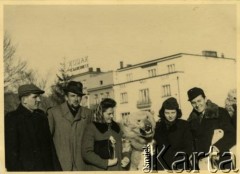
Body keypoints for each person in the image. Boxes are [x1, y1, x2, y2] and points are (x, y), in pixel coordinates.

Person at [5, 84, 61, 171]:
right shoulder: (12, 118)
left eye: (39, 97)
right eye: (35, 97)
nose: (39, 100)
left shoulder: (41, 116)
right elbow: (11, 156)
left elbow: (51, 148)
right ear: (24, 100)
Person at [47, 81, 93, 171]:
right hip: (61, 166)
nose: (76, 99)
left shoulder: (88, 113)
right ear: (66, 97)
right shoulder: (54, 113)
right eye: (73, 96)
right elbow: (48, 142)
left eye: (79, 96)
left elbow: (91, 141)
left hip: (82, 166)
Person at [187, 87, 236, 170]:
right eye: (193, 103)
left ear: (205, 99)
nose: (197, 105)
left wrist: (216, 147)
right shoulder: (191, 121)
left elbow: (232, 135)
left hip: (221, 162)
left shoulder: (220, 112)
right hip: (202, 165)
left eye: (199, 101)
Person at [82, 98, 130, 171]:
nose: (111, 116)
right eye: (109, 114)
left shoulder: (118, 127)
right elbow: (86, 153)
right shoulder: (91, 128)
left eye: (112, 113)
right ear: (101, 113)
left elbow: (125, 145)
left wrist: (126, 157)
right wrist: (105, 163)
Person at [154, 97, 193, 170]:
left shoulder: (185, 125)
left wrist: (178, 160)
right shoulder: (157, 126)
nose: (170, 116)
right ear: (163, 112)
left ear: (177, 112)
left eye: (173, 112)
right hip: (162, 165)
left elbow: (189, 147)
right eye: (167, 113)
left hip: (180, 164)